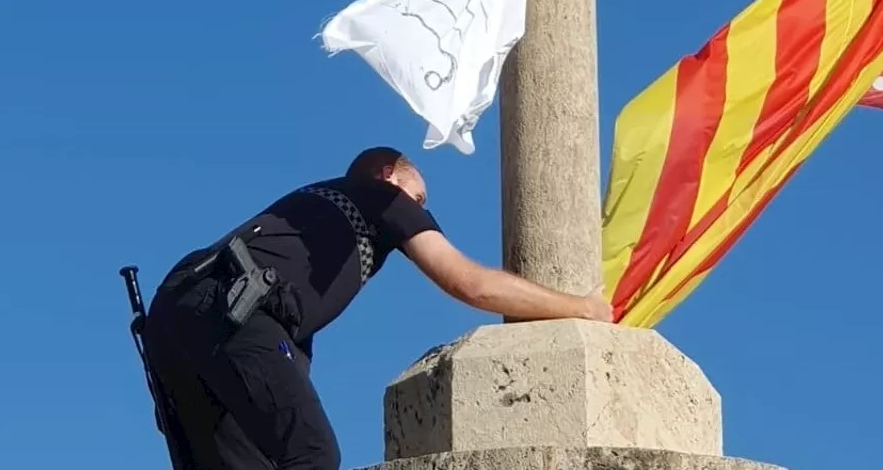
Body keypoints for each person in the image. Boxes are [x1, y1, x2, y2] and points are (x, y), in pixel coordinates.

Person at [141, 146, 613, 470]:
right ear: (389, 174)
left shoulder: (306, 217)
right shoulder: (381, 196)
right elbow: (469, 282)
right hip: (235, 311)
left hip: (176, 315)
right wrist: (582, 307)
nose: (421, 210)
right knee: (313, 455)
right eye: (420, 198)